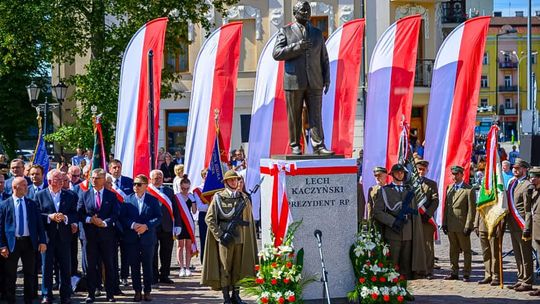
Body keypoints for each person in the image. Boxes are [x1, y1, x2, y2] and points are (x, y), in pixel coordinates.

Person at [272, 0, 333, 156]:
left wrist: (326, 78)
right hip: (294, 81)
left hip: (315, 81)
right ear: (295, 13)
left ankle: (319, 146)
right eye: (302, 10)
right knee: (294, 115)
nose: (306, 13)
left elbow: (324, 58)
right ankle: (295, 145)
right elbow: (277, 53)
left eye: (308, 10)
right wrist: (297, 47)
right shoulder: (285, 31)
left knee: (316, 115)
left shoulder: (317, 33)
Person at [202, 170, 257, 304]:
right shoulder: (218, 197)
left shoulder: (243, 197)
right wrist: (220, 235)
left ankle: (236, 296)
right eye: (231, 180)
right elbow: (209, 218)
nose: (234, 182)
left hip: (240, 238)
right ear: (226, 182)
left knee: (238, 268)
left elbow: (248, 219)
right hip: (225, 239)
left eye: (236, 179)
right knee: (225, 268)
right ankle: (226, 297)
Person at [373, 164, 425, 280]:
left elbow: (415, 212)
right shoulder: (385, 191)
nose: (400, 174)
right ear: (392, 175)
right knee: (392, 264)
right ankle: (392, 291)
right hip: (393, 233)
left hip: (408, 233)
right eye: (397, 172)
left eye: (402, 172)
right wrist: (392, 221)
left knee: (406, 266)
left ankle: (404, 290)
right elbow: (377, 212)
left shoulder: (409, 190)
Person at [0, 177, 47, 304]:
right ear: (15, 187)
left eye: (27, 185)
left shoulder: (31, 203)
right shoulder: (5, 204)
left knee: (30, 273)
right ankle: (10, 299)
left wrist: (42, 241)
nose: (27, 187)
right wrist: (2, 245)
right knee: (10, 273)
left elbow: (39, 225)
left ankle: (29, 299)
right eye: (24, 185)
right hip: (12, 243)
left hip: (29, 242)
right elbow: (0, 227)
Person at [35, 169, 78, 304]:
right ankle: (46, 294)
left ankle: (65, 294)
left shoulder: (70, 195)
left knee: (65, 267)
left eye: (62, 179)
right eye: (57, 179)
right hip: (47, 237)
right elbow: (36, 215)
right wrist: (49, 217)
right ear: (49, 181)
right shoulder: (39, 196)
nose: (61, 182)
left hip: (64, 237)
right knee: (47, 267)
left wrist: (65, 218)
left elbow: (75, 214)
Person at [77, 168, 120, 303]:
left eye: (97, 178)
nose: (94, 180)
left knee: (109, 265)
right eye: (92, 178)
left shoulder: (111, 195)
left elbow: (115, 214)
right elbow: (79, 212)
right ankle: (91, 293)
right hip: (90, 237)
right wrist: (90, 220)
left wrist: (104, 223)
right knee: (90, 266)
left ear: (103, 180)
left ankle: (110, 294)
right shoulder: (84, 194)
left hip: (106, 236)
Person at [120, 175, 162, 302]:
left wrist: (147, 226)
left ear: (145, 185)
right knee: (134, 266)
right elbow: (122, 217)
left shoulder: (153, 200)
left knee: (148, 265)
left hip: (147, 239)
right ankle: (137, 291)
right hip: (132, 238)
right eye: (134, 184)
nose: (136, 187)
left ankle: (147, 290)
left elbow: (158, 217)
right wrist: (132, 225)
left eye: (139, 184)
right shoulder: (127, 200)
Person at [442, 165, 476, 282]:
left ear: (462, 174)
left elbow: (472, 210)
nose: (454, 176)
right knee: (453, 250)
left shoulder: (468, 190)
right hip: (451, 225)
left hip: (462, 225)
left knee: (466, 250)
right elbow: (447, 207)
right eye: (453, 174)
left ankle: (466, 273)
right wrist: (444, 223)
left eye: (457, 174)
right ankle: (454, 272)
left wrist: (469, 225)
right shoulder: (450, 188)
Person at [148, 170, 182, 284]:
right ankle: (153, 275)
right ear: (151, 179)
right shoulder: (147, 191)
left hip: (167, 226)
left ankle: (165, 275)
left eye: (160, 178)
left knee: (166, 253)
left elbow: (176, 209)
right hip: (152, 227)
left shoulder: (169, 191)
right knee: (152, 252)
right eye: (155, 178)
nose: (158, 180)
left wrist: (177, 225)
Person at [505, 158, 534, 292]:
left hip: (522, 224)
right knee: (517, 253)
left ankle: (527, 281)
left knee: (525, 254)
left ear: (524, 169)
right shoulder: (512, 183)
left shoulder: (528, 185)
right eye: (514, 168)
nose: (515, 170)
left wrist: (527, 227)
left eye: (518, 168)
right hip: (513, 224)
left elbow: (528, 210)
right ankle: (520, 277)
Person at [415, 160, 439, 280]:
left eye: (423, 169)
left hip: (426, 220)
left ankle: (428, 270)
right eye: (419, 169)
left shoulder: (432, 184)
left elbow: (435, 201)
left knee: (428, 246)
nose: (421, 172)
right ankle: (418, 269)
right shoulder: (411, 184)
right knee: (416, 245)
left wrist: (428, 214)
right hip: (414, 219)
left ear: (427, 170)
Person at [474, 206, 501, 286]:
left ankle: (495, 276)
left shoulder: (499, 193)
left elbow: (502, 209)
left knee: (494, 253)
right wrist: (476, 224)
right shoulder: (482, 193)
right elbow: (478, 207)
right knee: (485, 253)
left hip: (494, 226)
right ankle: (488, 275)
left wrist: (501, 226)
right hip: (482, 225)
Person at [176, 176, 197, 277]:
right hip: (179, 223)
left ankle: (188, 268)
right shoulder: (176, 197)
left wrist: (193, 201)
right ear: (180, 187)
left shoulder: (191, 196)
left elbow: (194, 211)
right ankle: (181, 268)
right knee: (180, 246)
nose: (185, 190)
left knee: (188, 246)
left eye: (187, 188)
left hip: (189, 222)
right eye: (183, 188)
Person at [528, 166, 540, 297]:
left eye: (534, 177)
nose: (531, 179)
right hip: (536, 231)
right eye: (531, 176)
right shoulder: (534, 191)